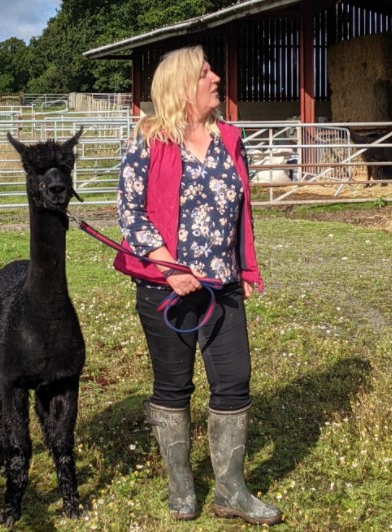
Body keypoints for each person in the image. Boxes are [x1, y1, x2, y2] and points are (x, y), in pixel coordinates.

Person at [114, 45, 282, 526]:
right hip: (167, 287)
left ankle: (231, 491)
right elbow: (131, 210)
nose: (215, 78)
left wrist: (246, 269)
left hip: (221, 287)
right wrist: (170, 267)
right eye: (205, 72)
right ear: (182, 85)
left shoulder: (231, 136)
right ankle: (181, 487)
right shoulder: (149, 137)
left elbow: (241, 211)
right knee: (173, 384)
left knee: (234, 380)